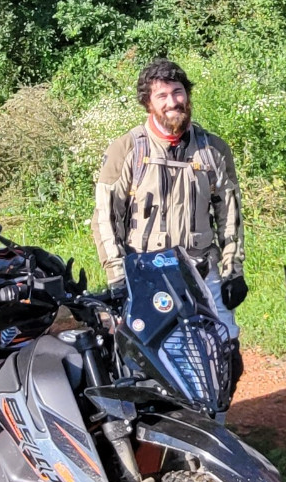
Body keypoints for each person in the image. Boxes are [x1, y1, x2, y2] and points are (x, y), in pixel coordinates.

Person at [92, 59, 248, 358]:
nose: (172, 102)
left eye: (177, 92)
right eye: (161, 96)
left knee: (226, 351)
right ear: (148, 103)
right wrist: (117, 277)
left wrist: (232, 272)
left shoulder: (213, 149)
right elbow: (106, 217)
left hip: (202, 267)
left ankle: (217, 407)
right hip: (147, 273)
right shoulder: (127, 149)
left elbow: (230, 213)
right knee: (155, 357)